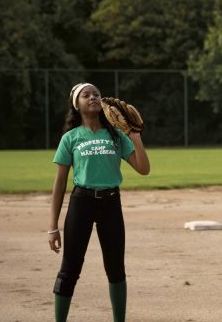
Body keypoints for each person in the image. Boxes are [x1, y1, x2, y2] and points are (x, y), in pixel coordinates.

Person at [47, 83, 150, 322]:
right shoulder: (70, 138)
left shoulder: (116, 135)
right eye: (86, 95)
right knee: (70, 269)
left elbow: (143, 169)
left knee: (116, 269)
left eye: (96, 94)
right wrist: (53, 226)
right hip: (81, 203)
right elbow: (60, 184)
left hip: (111, 204)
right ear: (77, 104)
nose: (93, 97)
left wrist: (135, 136)